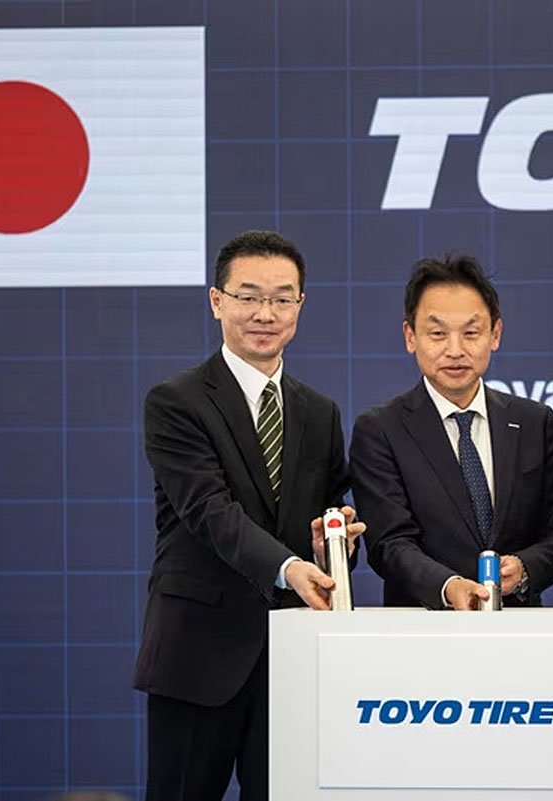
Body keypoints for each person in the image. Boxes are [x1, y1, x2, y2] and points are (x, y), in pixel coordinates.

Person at [133, 231, 364, 801]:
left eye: (282, 298)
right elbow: (209, 511)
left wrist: (332, 546)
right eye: (249, 296)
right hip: (197, 655)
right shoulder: (176, 403)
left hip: (291, 661)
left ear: (300, 307)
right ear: (217, 301)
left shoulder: (320, 412)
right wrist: (289, 566)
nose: (266, 313)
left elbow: (328, 513)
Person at [349, 254, 553, 610]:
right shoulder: (380, 430)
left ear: (495, 334)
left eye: (471, 333)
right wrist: (448, 586)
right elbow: (389, 544)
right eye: (438, 334)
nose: (455, 350)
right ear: (410, 336)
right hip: (422, 626)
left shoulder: (535, 422)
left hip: (519, 628)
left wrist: (524, 569)